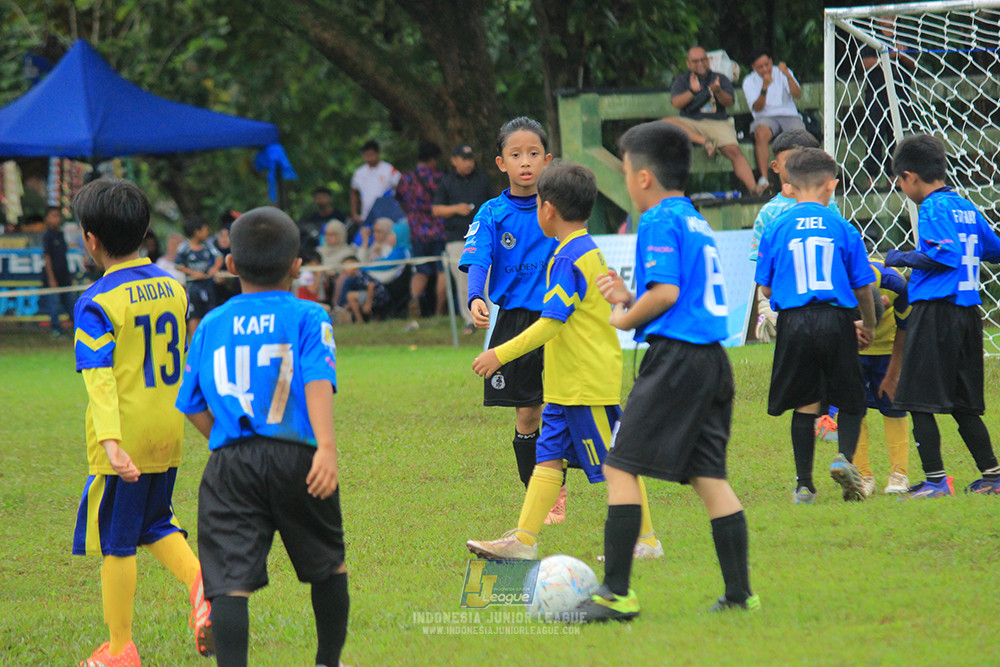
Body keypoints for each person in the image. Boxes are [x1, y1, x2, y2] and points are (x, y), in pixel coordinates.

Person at [576, 121, 755, 622]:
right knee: (708, 476)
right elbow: (678, 295)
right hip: (711, 360)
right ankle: (740, 595)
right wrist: (632, 297)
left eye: (627, 170)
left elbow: (668, 295)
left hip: (677, 360)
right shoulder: (693, 218)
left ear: (645, 178)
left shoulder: (656, 219)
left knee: (618, 465)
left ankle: (617, 595)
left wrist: (623, 316)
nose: (628, 181)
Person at [175, 206, 349, 667]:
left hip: (230, 464)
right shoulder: (310, 316)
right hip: (299, 458)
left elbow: (190, 403)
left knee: (229, 580)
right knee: (327, 564)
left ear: (230, 265)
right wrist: (326, 448)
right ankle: (328, 662)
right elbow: (317, 379)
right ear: (297, 264)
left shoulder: (209, 324)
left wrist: (226, 437)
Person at [465, 161, 662, 562]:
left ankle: (647, 541)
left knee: (616, 462)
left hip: (585, 384)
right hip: (563, 386)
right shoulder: (582, 251)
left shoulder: (569, 258)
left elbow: (550, 325)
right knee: (547, 458)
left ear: (547, 209)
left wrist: (497, 354)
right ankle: (524, 539)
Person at [70, 178, 212, 666]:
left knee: (117, 540)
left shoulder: (96, 301)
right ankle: (203, 587)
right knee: (155, 522)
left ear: (91, 239)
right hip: (168, 429)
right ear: (146, 230)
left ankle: (118, 649)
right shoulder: (173, 288)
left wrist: (109, 441)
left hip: (124, 440)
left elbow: (101, 379)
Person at [754, 147, 878, 504]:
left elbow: (764, 286)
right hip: (835, 317)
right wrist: (866, 324)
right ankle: (845, 461)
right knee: (853, 399)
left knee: (805, 403)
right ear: (831, 185)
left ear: (789, 186)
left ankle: (804, 485)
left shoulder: (777, 227)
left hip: (793, 321)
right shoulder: (842, 226)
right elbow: (862, 286)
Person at [459, 117, 564, 522]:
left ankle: (566, 483)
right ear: (501, 163)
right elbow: (479, 257)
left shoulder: (557, 205)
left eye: (533, 154)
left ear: (547, 160)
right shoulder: (492, 212)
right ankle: (541, 494)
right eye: (516, 155)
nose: (526, 162)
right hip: (516, 321)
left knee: (567, 406)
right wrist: (475, 297)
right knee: (528, 413)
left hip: (559, 316)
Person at [885, 134, 1000, 497]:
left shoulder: (933, 208)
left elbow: (942, 256)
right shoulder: (966, 206)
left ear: (911, 177)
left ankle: (935, 480)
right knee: (964, 403)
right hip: (968, 316)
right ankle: (993, 477)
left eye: (900, 182)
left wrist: (898, 257)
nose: (903, 189)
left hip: (936, 314)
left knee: (916, 397)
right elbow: (994, 251)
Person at [747, 129, 841, 350]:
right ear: (776, 166)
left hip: (823, 297)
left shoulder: (829, 205)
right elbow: (763, 269)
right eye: (791, 161)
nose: (799, 168)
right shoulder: (769, 213)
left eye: (806, 161)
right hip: (783, 298)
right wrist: (765, 302)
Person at [664, 46, 762, 195]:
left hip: (717, 123)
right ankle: (706, 142)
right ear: (688, 64)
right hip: (691, 124)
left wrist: (718, 91)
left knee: (735, 151)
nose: (700, 63)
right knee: (667, 124)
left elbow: (729, 102)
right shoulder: (683, 81)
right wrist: (692, 90)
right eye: (695, 61)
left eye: (703, 60)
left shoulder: (720, 78)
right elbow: (676, 103)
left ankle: (755, 189)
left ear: (708, 61)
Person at [852, 258, 912, 496]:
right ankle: (862, 475)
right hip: (853, 349)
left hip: (888, 349)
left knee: (893, 406)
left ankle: (900, 473)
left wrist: (894, 372)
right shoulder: (838, 279)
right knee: (854, 409)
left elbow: (906, 328)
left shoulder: (895, 283)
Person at [432, 143, 495, 335]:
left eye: (470, 159)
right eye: (464, 159)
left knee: (489, 278)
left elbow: (494, 205)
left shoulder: (482, 179)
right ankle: (471, 320)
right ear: (454, 160)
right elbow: (436, 210)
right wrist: (456, 209)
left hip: (484, 239)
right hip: (457, 239)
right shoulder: (447, 182)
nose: (468, 163)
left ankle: (493, 320)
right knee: (463, 280)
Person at [396, 141, 447, 325]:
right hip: (439, 230)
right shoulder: (439, 177)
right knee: (442, 270)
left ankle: (414, 304)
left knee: (421, 271)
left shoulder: (406, 179)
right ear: (433, 159)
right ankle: (439, 311)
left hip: (417, 231)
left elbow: (400, 200)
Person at [741, 49, 806, 191]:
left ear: (771, 61)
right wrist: (765, 87)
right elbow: (757, 108)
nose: (765, 69)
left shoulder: (782, 72)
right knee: (761, 134)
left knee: (800, 136)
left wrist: (788, 75)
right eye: (760, 67)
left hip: (789, 114)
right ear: (753, 68)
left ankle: (800, 177)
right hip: (764, 116)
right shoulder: (749, 81)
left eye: (767, 64)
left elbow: (797, 94)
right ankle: (764, 178)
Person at [175, 216, 223, 337]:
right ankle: (195, 340)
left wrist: (214, 269)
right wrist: (194, 273)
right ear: (197, 232)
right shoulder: (185, 247)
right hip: (193, 287)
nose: (208, 232)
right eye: (205, 229)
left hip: (207, 286)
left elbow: (219, 257)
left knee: (210, 312)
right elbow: (178, 265)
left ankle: (210, 338)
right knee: (194, 315)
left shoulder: (208, 246)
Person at [41, 205, 75, 336]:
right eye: (53, 216)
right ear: (47, 218)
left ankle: (78, 328)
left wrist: (69, 275)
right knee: (54, 305)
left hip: (64, 276)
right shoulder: (47, 236)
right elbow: (47, 257)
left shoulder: (61, 234)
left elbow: (64, 256)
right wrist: (51, 278)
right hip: (53, 277)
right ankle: (56, 329)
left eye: (58, 216)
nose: (57, 219)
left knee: (71, 303)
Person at [350, 140, 400, 227]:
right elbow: (354, 193)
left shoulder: (388, 170)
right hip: (367, 217)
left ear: (377, 154)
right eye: (366, 155)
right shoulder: (359, 172)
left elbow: (401, 187)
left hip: (386, 216)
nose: (369, 158)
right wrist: (354, 213)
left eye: (371, 154)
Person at [340, 255, 391, 323]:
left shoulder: (361, 273)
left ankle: (360, 320)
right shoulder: (355, 276)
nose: (345, 269)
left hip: (379, 295)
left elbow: (371, 285)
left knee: (350, 295)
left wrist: (368, 304)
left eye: (346, 266)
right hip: (376, 295)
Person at [299, 186, 348, 252]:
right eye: (318, 198)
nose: (321, 200)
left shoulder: (340, 216)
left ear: (330, 198)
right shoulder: (313, 218)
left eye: (323, 197)